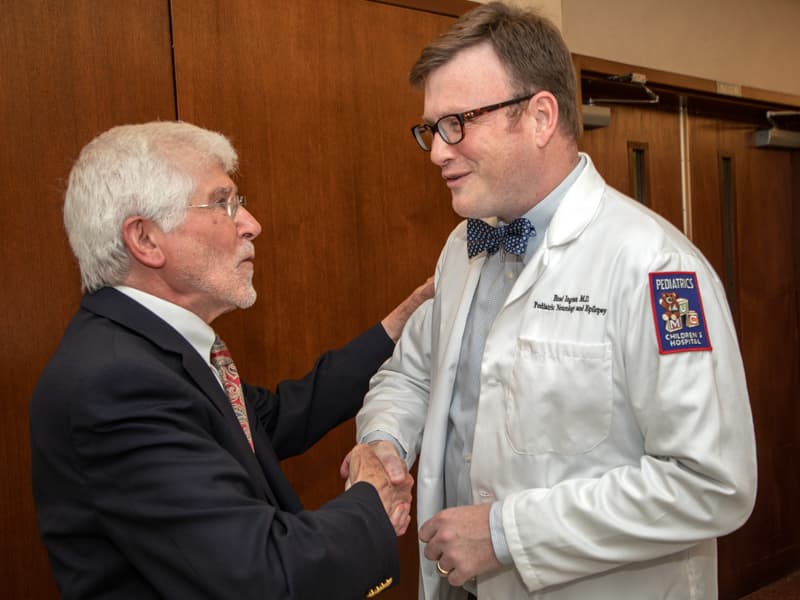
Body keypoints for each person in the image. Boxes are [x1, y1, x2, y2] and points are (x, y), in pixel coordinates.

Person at [347, 2, 758, 599]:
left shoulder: (655, 268)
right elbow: (413, 374)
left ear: (540, 117)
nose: (437, 151)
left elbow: (712, 482)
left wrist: (508, 533)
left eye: (458, 122)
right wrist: (384, 442)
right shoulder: (464, 248)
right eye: (431, 129)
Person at [30, 121, 433, 600]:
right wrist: (371, 497)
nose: (251, 223)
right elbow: (261, 576)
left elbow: (272, 419)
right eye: (224, 203)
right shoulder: (116, 384)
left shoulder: (148, 348)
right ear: (146, 239)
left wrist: (395, 329)